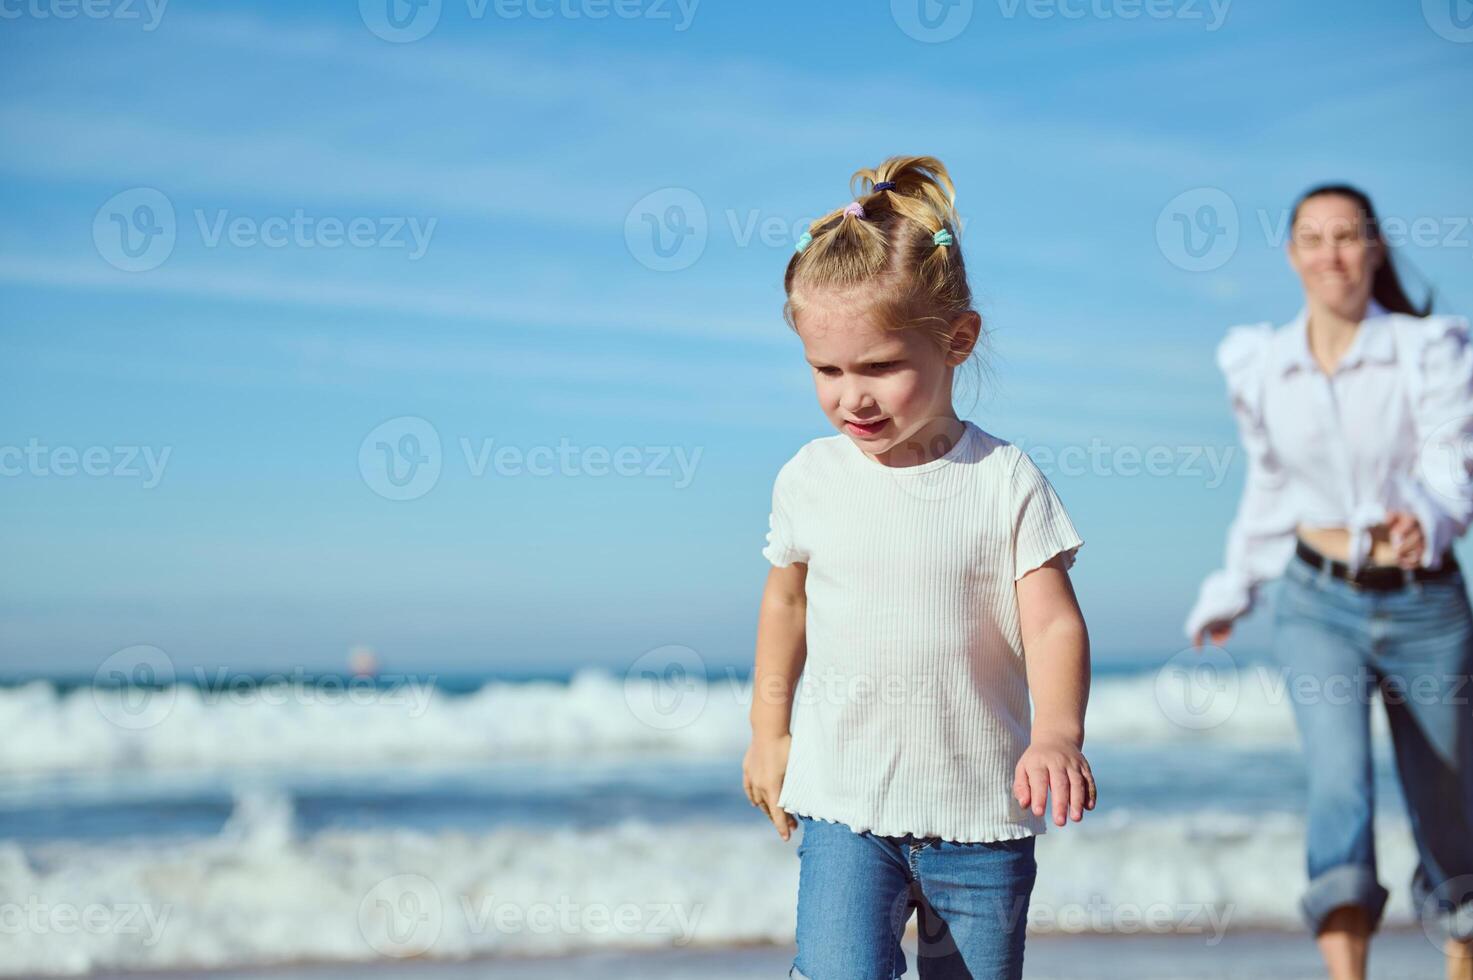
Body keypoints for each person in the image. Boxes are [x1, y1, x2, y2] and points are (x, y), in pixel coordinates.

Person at [740, 155, 1096, 980]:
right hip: (844, 805)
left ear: (956, 341)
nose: (850, 397)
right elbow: (785, 605)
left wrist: (1055, 735)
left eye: (878, 368)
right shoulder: (809, 477)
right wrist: (767, 733)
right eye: (825, 370)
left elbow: (1050, 621)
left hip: (980, 815)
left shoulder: (1002, 479)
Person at [1185, 183, 1473, 980]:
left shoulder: (1426, 349)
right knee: (1339, 788)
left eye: (1346, 237)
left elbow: (1454, 469)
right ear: (1291, 255)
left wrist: (1422, 516)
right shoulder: (1263, 364)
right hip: (1314, 602)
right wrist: (1233, 587)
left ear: (1373, 247)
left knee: (1446, 799)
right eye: (1312, 239)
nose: (1329, 255)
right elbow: (1269, 489)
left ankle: (1461, 947)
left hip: (1427, 608)